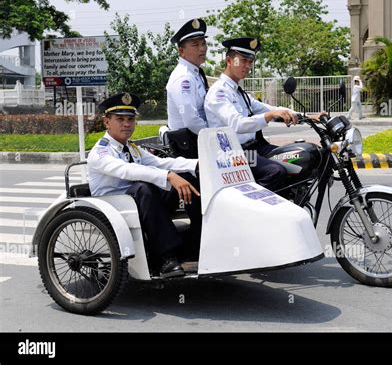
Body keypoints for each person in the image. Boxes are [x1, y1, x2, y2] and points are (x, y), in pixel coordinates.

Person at [87, 93, 202, 278]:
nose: (126, 124)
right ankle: (167, 258)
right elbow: (127, 171)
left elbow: (161, 163)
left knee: (188, 180)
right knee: (144, 188)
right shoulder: (100, 152)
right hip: (115, 206)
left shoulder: (132, 147)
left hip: (139, 203)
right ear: (106, 122)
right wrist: (168, 176)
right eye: (120, 119)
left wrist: (197, 164)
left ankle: (198, 243)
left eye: (130, 119)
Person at [205, 37, 303, 191]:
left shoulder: (239, 92)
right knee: (276, 172)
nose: (248, 66)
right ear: (229, 60)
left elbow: (267, 108)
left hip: (254, 148)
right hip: (232, 154)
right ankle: (254, 211)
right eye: (243, 60)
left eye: (250, 62)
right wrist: (270, 115)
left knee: (297, 158)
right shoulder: (219, 92)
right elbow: (237, 124)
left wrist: (310, 117)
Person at [166, 18, 209, 157]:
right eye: (195, 45)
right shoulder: (183, 78)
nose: (202, 48)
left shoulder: (196, 73)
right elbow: (192, 121)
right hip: (189, 148)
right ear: (181, 51)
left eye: (203, 43)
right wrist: (217, 137)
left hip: (199, 141)